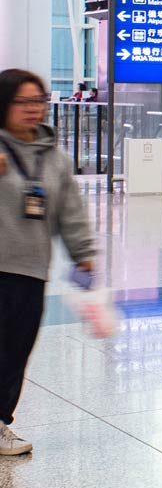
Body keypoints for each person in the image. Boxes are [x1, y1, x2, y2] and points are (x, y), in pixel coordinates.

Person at [0, 68, 98, 457]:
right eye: (22, 102)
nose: (32, 109)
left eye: (37, 101)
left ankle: (1, 422)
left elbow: (71, 212)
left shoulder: (54, 159)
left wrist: (84, 253)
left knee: (15, 351)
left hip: (29, 271)